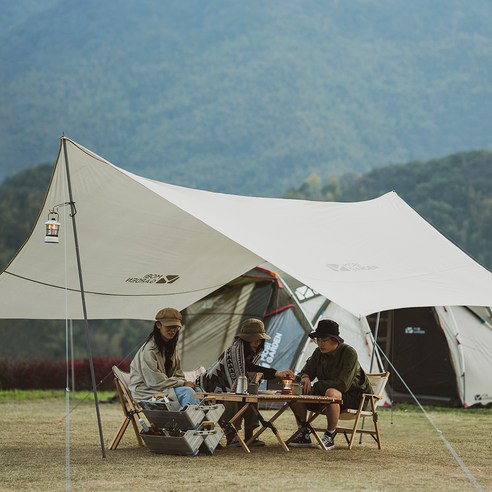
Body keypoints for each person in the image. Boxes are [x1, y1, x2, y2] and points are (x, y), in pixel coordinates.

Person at [199, 318, 296, 447]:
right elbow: (247, 368)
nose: (257, 341)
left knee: (251, 397)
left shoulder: (249, 352)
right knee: (234, 398)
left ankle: (250, 436)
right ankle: (231, 435)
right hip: (211, 389)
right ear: (246, 339)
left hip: (229, 388)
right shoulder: (235, 351)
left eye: (259, 339)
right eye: (254, 338)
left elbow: (248, 372)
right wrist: (276, 373)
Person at [289, 319, 372, 449]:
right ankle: (303, 431)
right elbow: (305, 372)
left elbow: (342, 385)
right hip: (326, 395)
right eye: (318, 340)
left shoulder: (349, 353)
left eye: (324, 340)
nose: (320, 344)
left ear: (335, 340)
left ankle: (330, 435)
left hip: (354, 397)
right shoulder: (319, 352)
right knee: (297, 390)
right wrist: (305, 377)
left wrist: (315, 386)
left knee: (331, 392)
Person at [129, 307, 201, 409]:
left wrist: (183, 382)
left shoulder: (171, 348)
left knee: (198, 391)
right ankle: (194, 423)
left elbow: (178, 373)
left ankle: (198, 421)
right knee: (188, 392)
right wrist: (183, 383)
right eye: (169, 326)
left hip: (163, 388)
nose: (172, 330)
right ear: (158, 325)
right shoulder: (149, 350)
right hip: (147, 391)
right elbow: (154, 381)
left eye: (175, 327)